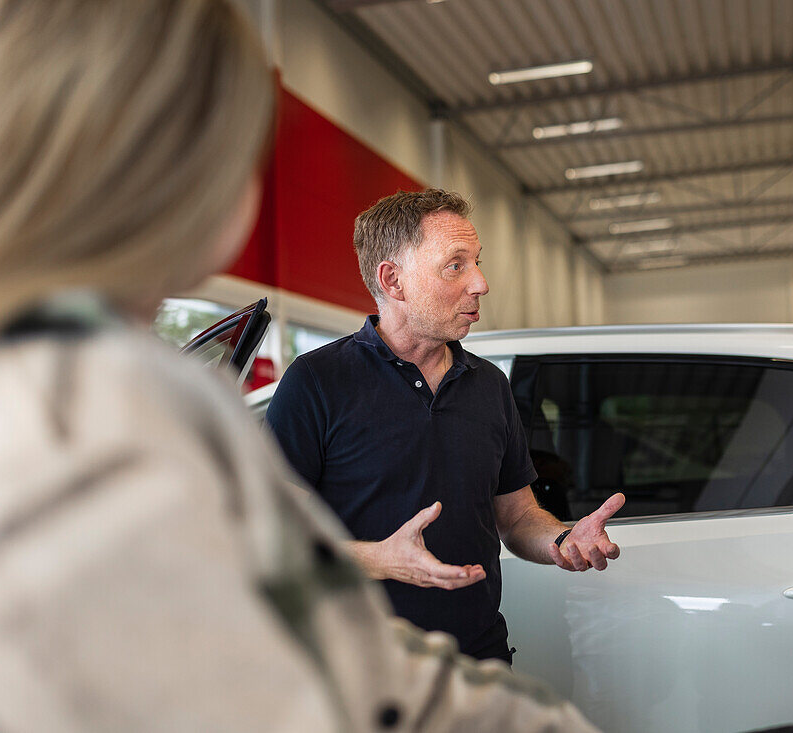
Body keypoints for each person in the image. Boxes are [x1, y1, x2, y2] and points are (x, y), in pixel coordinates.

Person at [0, 1, 600, 730]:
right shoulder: (120, 408)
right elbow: (312, 656)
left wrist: (558, 538)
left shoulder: (54, 387)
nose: (479, 284)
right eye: (242, 150)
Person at [266, 189, 625, 662]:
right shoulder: (317, 381)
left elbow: (516, 517)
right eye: (456, 265)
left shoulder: (490, 385)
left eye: (477, 262)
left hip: (479, 663)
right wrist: (379, 560)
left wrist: (562, 539)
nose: (480, 283)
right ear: (393, 280)